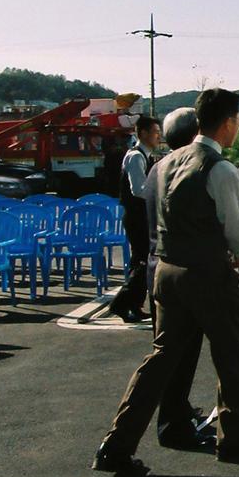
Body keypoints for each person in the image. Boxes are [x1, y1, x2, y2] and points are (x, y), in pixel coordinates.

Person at [93, 89, 239, 477]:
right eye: (237, 120)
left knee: (159, 361)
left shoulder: (167, 163)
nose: (237, 127)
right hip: (208, 274)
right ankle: (233, 439)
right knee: (230, 356)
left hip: (167, 273)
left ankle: (116, 445)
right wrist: (238, 260)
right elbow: (238, 234)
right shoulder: (219, 167)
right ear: (227, 123)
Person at [141, 107, 212, 448]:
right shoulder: (187, 170)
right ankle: (173, 425)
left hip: (157, 266)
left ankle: (178, 411)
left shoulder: (158, 168)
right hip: (180, 270)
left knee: (172, 352)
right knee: (178, 355)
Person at [109, 116, 160, 323]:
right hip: (137, 216)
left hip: (143, 216)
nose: (159, 136)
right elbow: (138, 189)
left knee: (139, 260)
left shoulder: (146, 156)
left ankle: (134, 304)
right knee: (143, 261)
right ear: (144, 133)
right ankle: (121, 303)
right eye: (155, 132)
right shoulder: (136, 157)